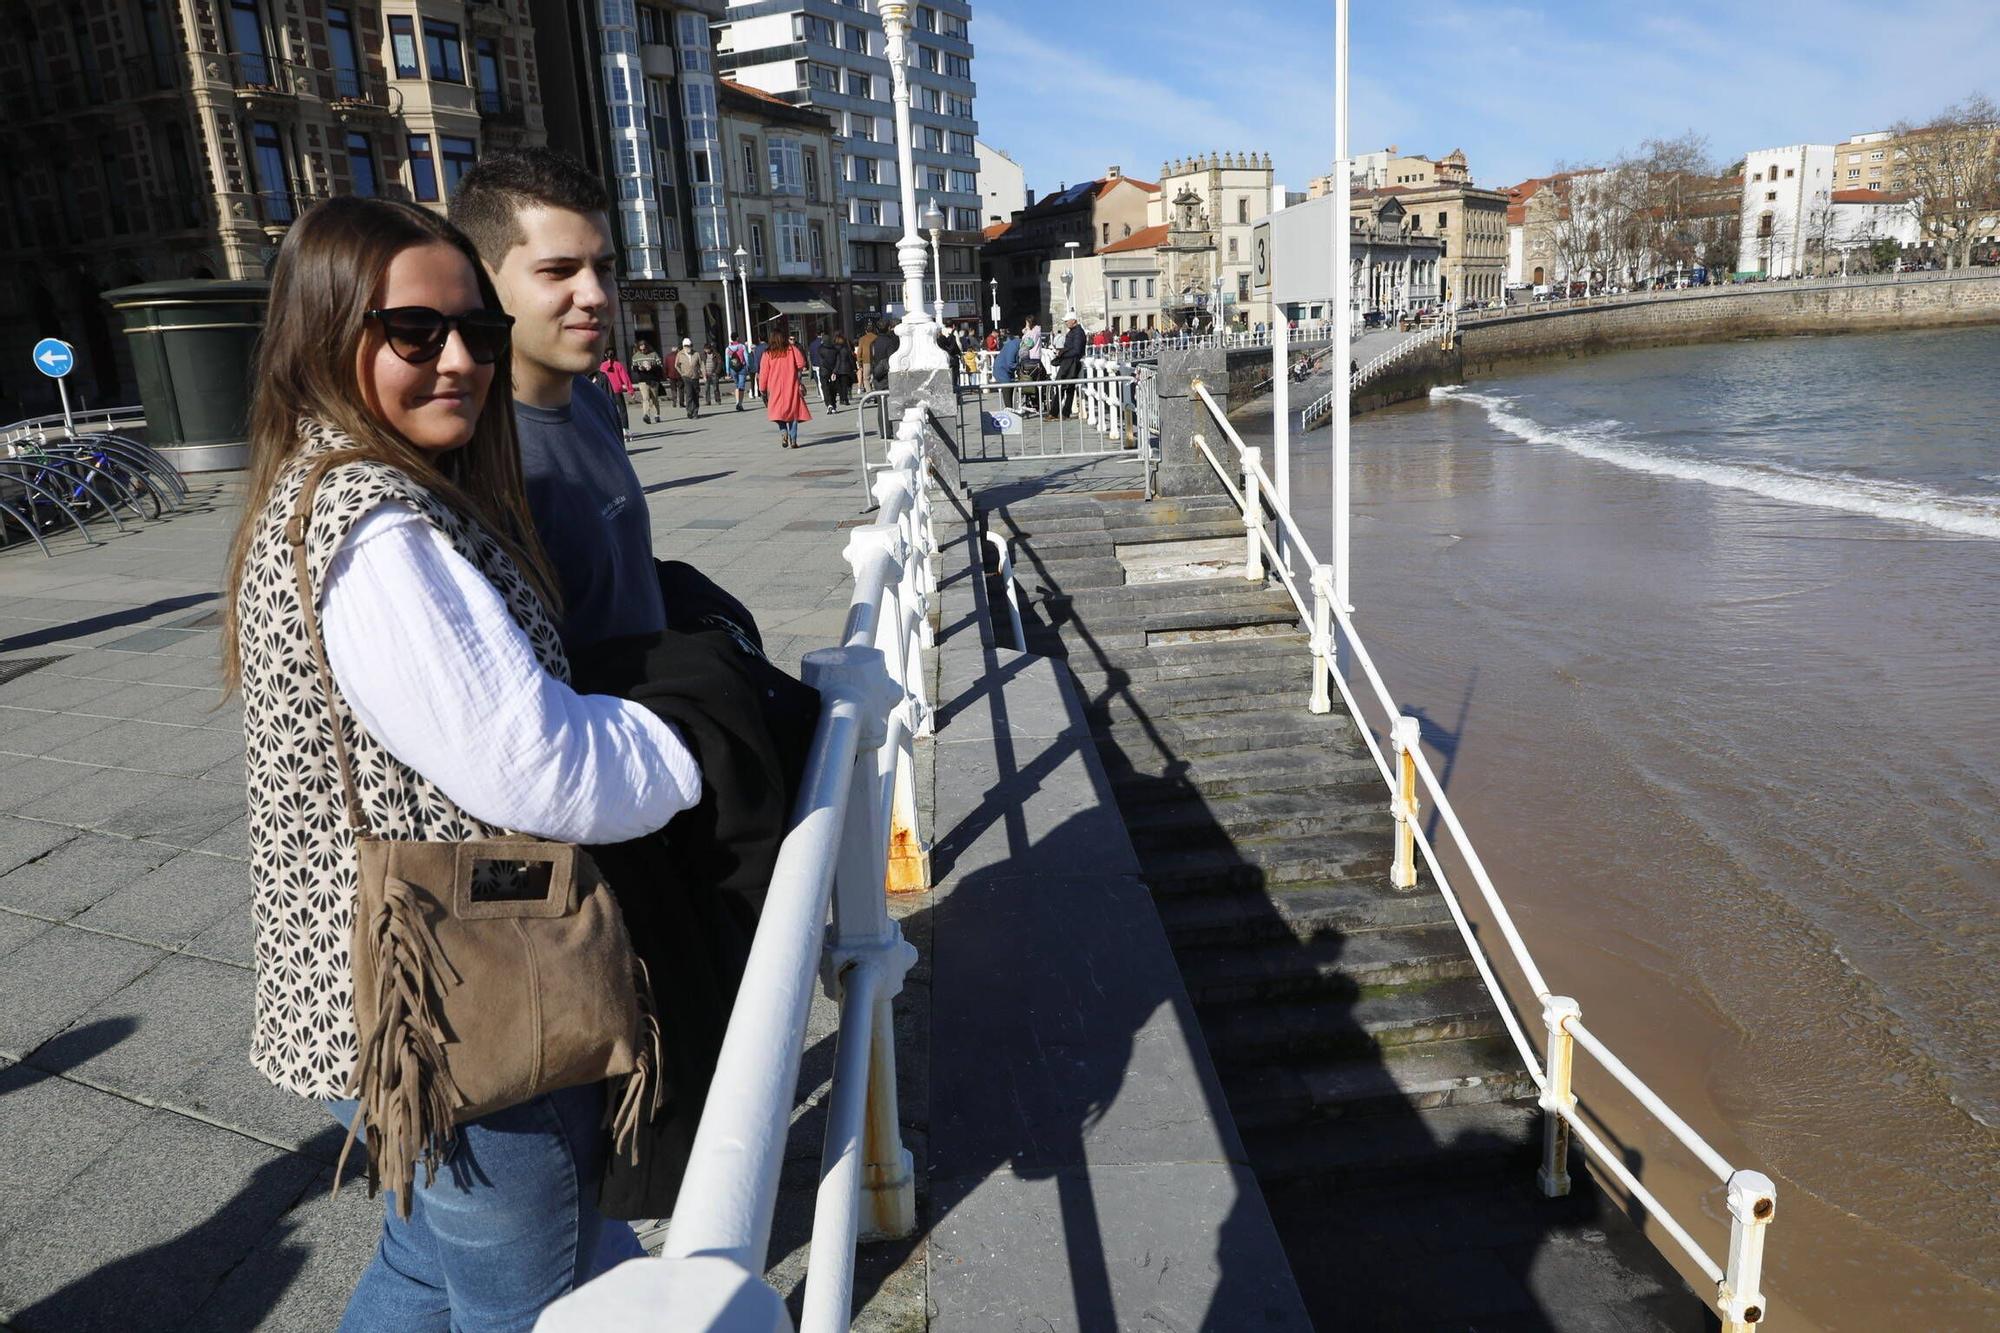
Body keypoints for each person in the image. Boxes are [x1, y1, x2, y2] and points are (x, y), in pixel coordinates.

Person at [222, 195, 704, 1332]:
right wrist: (696, 744)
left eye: (476, 336)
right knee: (525, 1305)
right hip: (468, 1001)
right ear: (324, 332)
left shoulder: (317, 487)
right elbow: (533, 766)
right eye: (414, 334)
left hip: (396, 995)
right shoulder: (378, 525)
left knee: (422, 1267)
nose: (458, 362)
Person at [448, 147, 665, 658]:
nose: (595, 295)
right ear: (481, 280)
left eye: (604, 268)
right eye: (559, 271)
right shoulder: (473, 450)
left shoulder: (592, 399)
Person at [758, 329, 811, 448]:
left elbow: (764, 373)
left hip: (774, 387)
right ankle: (793, 439)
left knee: (778, 413)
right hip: (791, 385)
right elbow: (801, 363)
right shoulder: (791, 349)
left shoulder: (768, 353)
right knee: (793, 413)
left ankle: (783, 432)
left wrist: (762, 388)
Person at [1053, 314, 1086, 419]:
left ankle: (1054, 413)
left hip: (1071, 363)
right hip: (1071, 362)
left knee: (1061, 386)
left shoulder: (1077, 333)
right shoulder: (1075, 332)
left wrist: (1062, 354)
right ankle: (1064, 413)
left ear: (1073, 321)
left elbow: (1076, 350)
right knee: (1069, 388)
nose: (1065, 323)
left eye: (1067, 321)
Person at [596, 346, 632, 437]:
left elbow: (599, 379)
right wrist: (630, 390)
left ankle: (611, 429)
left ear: (605, 355)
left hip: (606, 391)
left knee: (609, 411)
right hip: (617, 390)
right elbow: (625, 378)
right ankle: (625, 430)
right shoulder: (618, 365)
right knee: (622, 410)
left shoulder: (602, 366)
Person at [630, 339, 664, 424]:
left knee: (654, 398)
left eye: (644, 349)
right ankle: (646, 415)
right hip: (642, 380)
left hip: (653, 379)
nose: (643, 351)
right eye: (641, 349)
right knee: (645, 398)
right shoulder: (636, 356)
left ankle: (657, 415)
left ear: (647, 347)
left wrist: (651, 366)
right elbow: (633, 368)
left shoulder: (654, 354)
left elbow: (660, 366)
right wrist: (639, 368)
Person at [672, 337, 701, 419]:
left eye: (690, 345)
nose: (689, 347)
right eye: (687, 346)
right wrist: (682, 373)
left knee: (695, 394)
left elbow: (701, 364)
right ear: (683, 346)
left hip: (695, 377)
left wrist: (703, 373)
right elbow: (676, 365)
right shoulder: (680, 354)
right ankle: (689, 411)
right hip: (686, 377)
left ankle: (695, 412)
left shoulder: (696, 354)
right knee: (689, 394)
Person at [827, 332, 856, 408]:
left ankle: (841, 398)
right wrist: (854, 367)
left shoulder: (833, 349)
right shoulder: (845, 349)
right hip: (845, 369)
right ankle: (845, 399)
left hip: (836, 369)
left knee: (839, 385)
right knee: (844, 385)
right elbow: (850, 359)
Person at [993, 327, 1019, 409]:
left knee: (1010, 389)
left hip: (1005, 369)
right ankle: (1009, 410)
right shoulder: (1014, 346)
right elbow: (1010, 363)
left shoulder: (1014, 344)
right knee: (1007, 389)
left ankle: (1010, 409)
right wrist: (1018, 366)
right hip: (1001, 369)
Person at [725, 334, 750, 410]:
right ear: (737, 338)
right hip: (742, 367)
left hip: (733, 368)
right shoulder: (742, 346)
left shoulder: (728, 348)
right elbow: (746, 357)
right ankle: (740, 403)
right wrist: (748, 367)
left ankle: (737, 402)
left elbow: (727, 360)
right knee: (741, 386)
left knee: (737, 385)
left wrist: (727, 371)